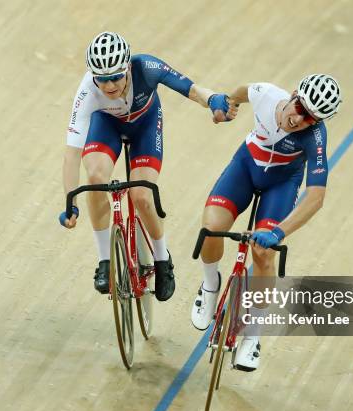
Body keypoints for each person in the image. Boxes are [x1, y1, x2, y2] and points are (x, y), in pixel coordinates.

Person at [60, 31, 234, 301]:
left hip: (145, 125)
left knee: (142, 195)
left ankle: (163, 260)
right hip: (107, 126)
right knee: (94, 177)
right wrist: (70, 201)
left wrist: (213, 100)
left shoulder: (147, 67)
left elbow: (191, 89)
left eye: (116, 77)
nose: (109, 86)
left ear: (128, 66)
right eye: (102, 79)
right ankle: (105, 260)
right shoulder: (86, 93)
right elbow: (71, 154)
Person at [190, 74, 342, 370]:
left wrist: (278, 232)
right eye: (300, 108)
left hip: (281, 185)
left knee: (263, 255)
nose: (300, 120)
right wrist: (229, 106)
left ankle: (252, 337)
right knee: (211, 229)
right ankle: (210, 286)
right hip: (245, 168)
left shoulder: (315, 137)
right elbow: (242, 90)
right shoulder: (267, 94)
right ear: (295, 94)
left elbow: (315, 197)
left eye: (311, 119)